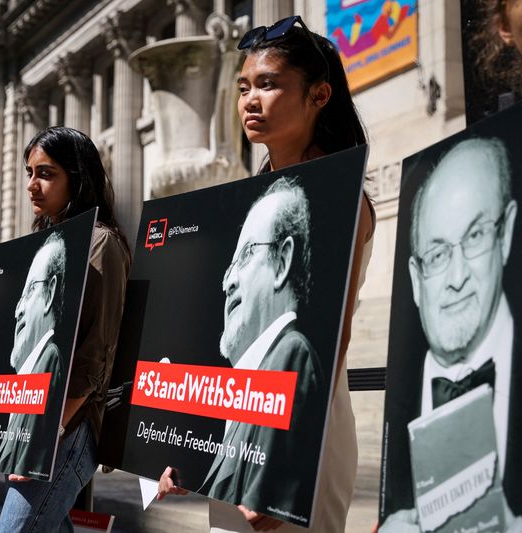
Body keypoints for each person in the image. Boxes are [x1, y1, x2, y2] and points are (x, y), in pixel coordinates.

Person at [158, 15, 375, 532]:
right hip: (243, 424)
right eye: (244, 87)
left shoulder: (335, 199)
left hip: (303, 437)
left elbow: (332, 338)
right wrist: (180, 442)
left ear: (319, 96)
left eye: (269, 84)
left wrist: (285, 472)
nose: (250, 100)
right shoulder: (253, 199)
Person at [0, 127, 131, 533]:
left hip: (68, 427)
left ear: (78, 176)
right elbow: (9, 354)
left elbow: (95, 357)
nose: (32, 185)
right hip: (31, 423)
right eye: (29, 172)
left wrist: (47, 435)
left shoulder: (101, 244)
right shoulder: (42, 244)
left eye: (46, 174)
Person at [379, 138, 522, 532]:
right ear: (414, 279)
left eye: (475, 236)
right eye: (438, 255)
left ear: (505, 233)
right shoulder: (397, 402)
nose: (457, 279)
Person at [194, 177, 327, 519]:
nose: (228, 281)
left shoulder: (289, 356)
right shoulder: (253, 380)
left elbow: (256, 511)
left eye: (248, 255)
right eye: (230, 265)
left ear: (282, 263)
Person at [0, 232, 67, 475]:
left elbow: (29, 457)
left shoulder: (49, 360)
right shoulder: (30, 375)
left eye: (30, 291)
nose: (17, 311)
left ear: (50, 293)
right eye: (20, 296)